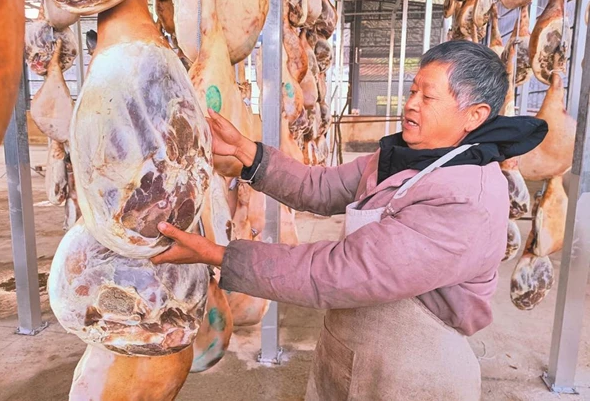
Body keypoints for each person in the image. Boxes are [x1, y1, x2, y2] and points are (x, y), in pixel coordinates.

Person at [151, 41, 548, 400]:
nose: (411, 104)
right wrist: (246, 152)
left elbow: (341, 273)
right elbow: (321, 187)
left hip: (415, 371)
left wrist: (220, 255)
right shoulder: (403, 157)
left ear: (474, 116)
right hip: (349, 348)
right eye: (412, 91)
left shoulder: (466, 197)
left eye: (428, 97)